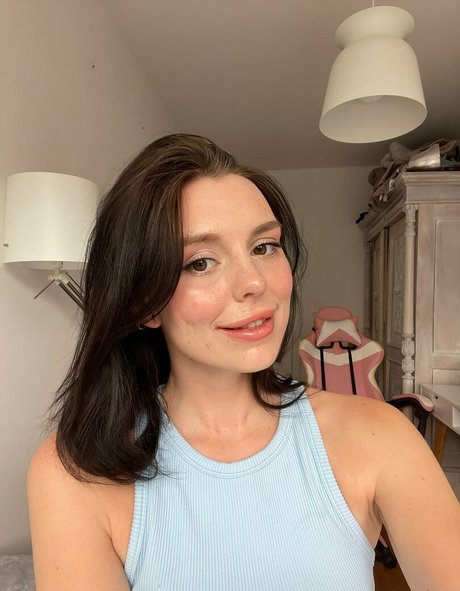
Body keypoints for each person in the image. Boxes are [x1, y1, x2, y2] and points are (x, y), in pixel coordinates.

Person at [28, 133, 460, 591]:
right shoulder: (73, 471)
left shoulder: (380, 435)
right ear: (143, 302)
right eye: (200, 262)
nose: (254, 282)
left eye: (264, 247)